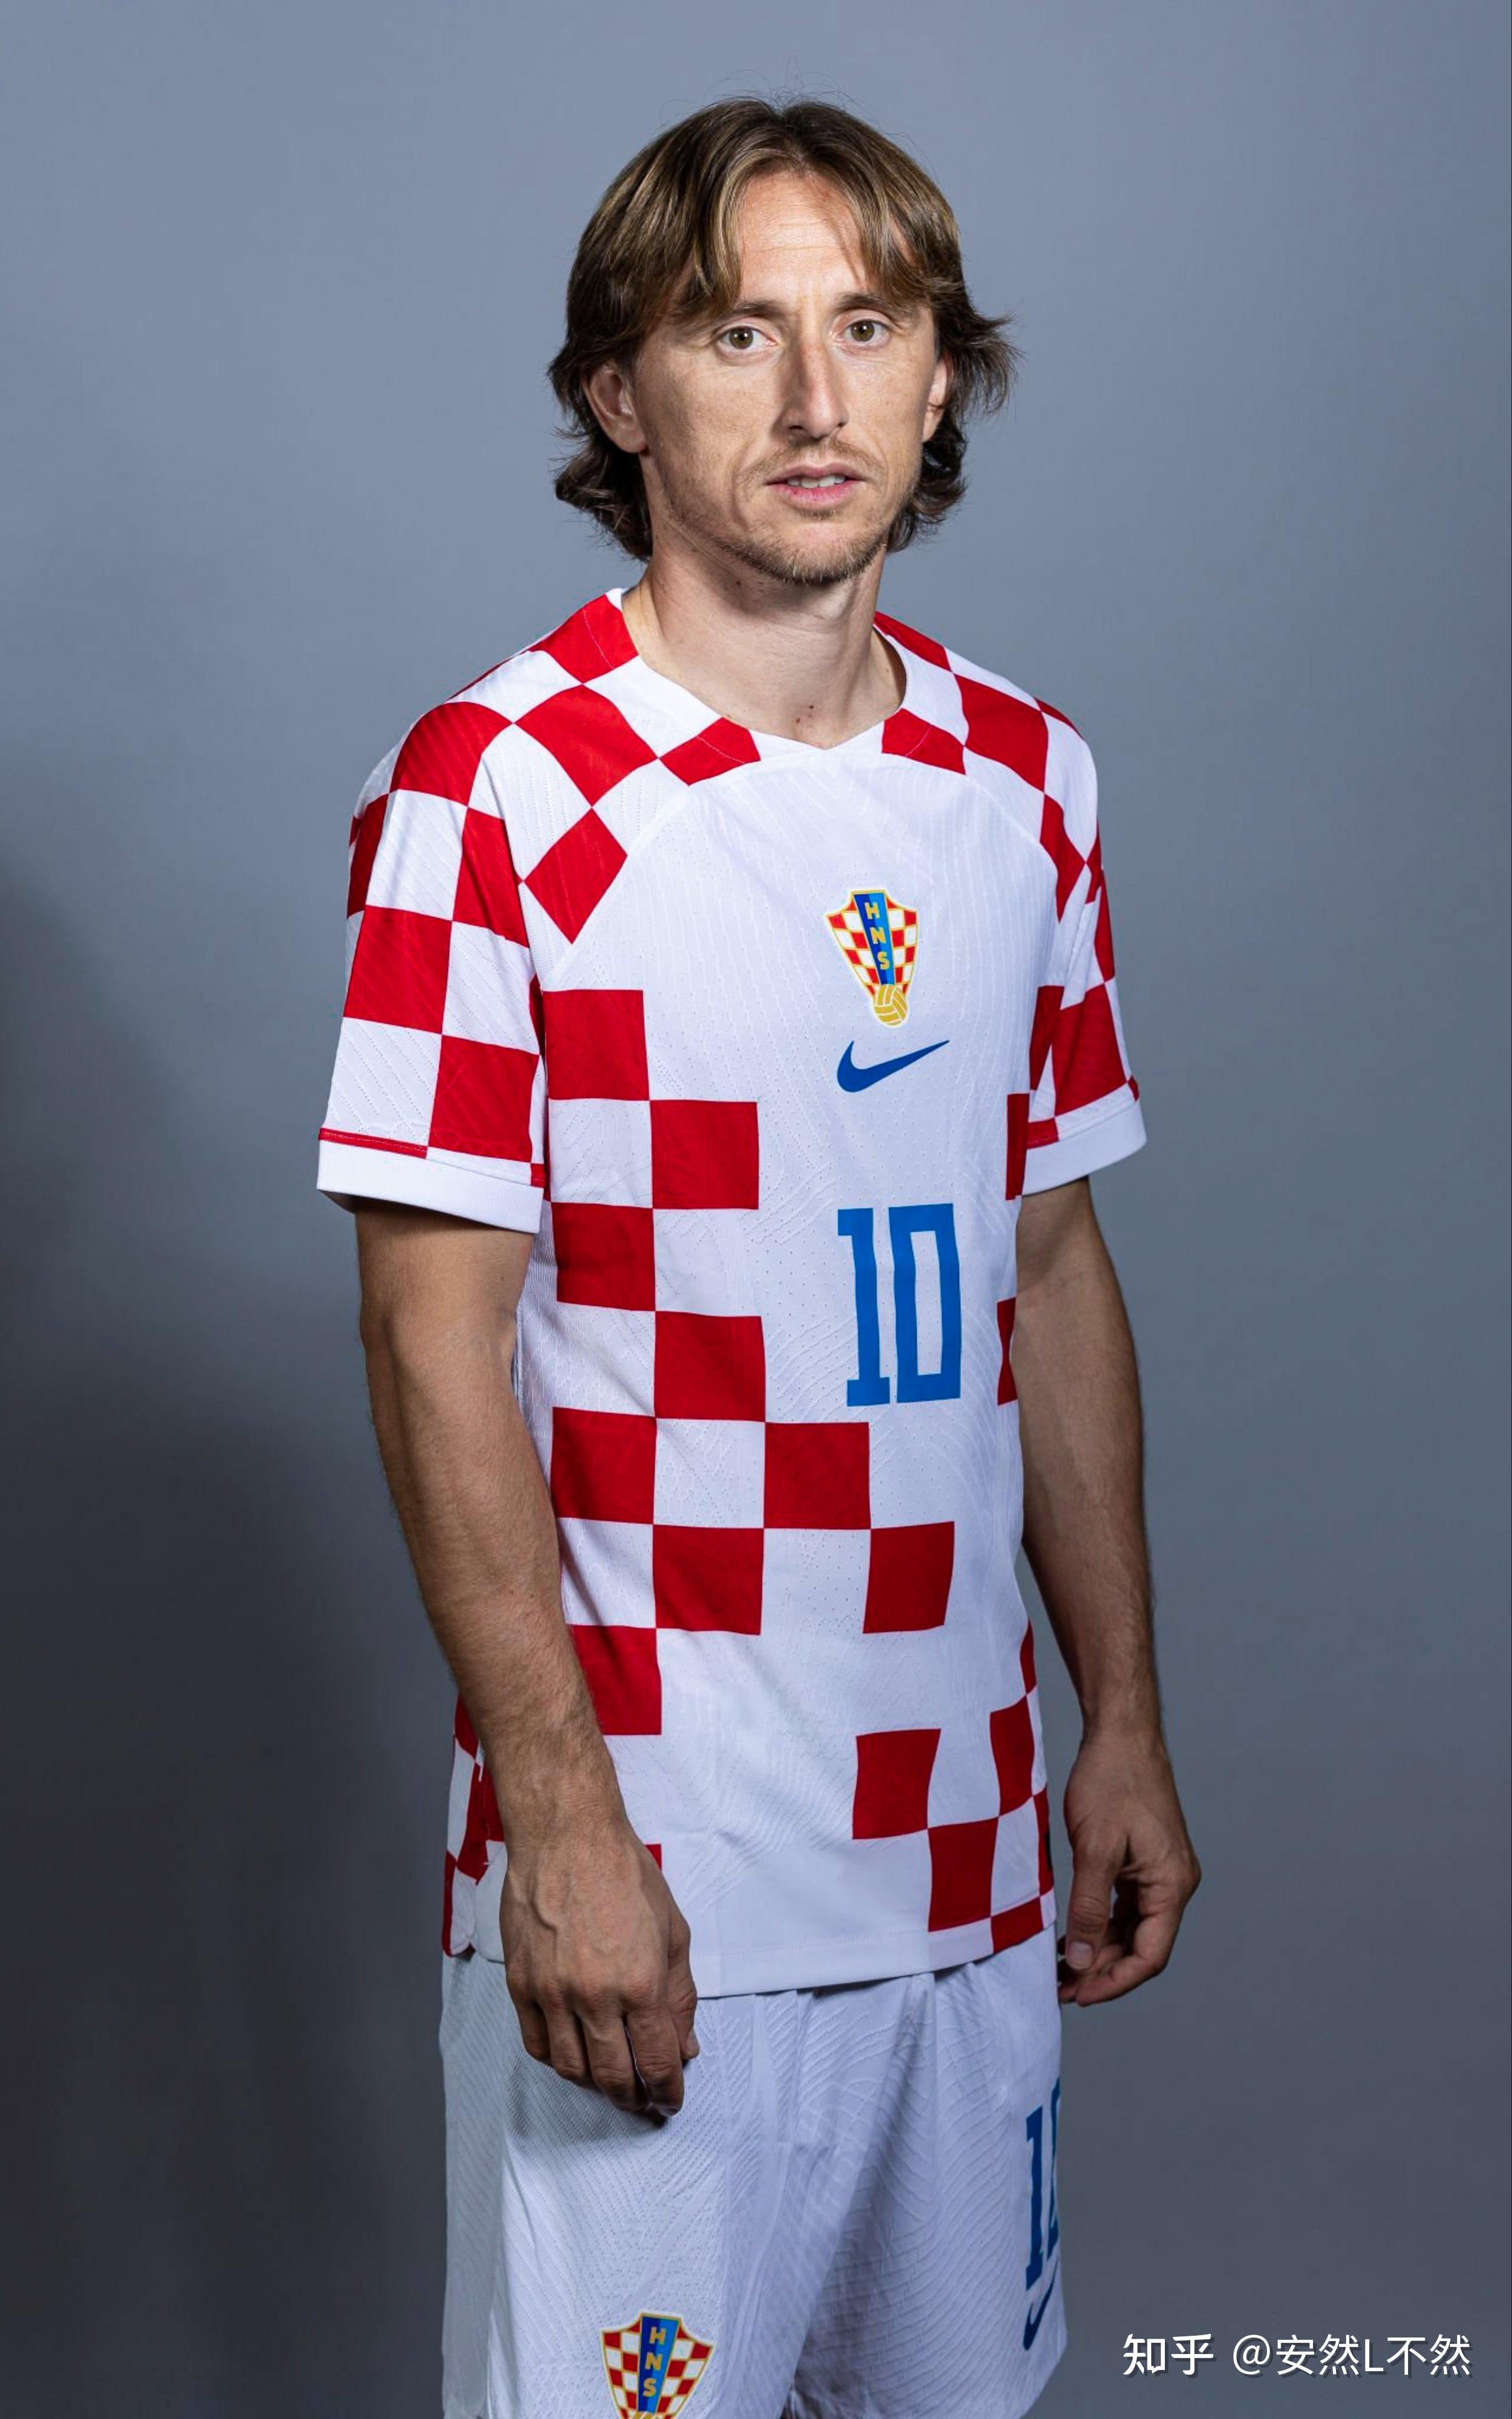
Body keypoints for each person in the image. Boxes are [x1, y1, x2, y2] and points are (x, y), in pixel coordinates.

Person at [315, 93, 1200, 2419]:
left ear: (940, 375)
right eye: (736, 332)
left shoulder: (1026, 782)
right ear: (620, 394)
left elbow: (1045, 1264)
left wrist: (1116, 1717)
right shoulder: (494, 790)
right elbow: (428, 1337)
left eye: (868, 327)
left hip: (968, 1862)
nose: (815, 398)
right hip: (662, 1883)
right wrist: (561, 1824)